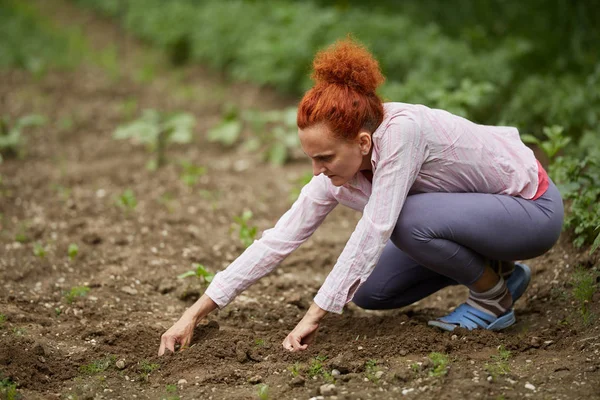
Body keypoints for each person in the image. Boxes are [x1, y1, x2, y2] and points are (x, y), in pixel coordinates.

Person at [158, 38, 564, 355]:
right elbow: (279, 240)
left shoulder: (404, 133)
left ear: (364, 141)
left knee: (406, 220)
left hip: (531, 211)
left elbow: (377, 227)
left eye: (325, 158)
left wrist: (315, 314)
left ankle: (494, 301)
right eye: (311, 158)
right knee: (371, 290)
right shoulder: (339, 171)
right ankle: (504, 274)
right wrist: (192, 313)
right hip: (482, 217)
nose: (318, 170)